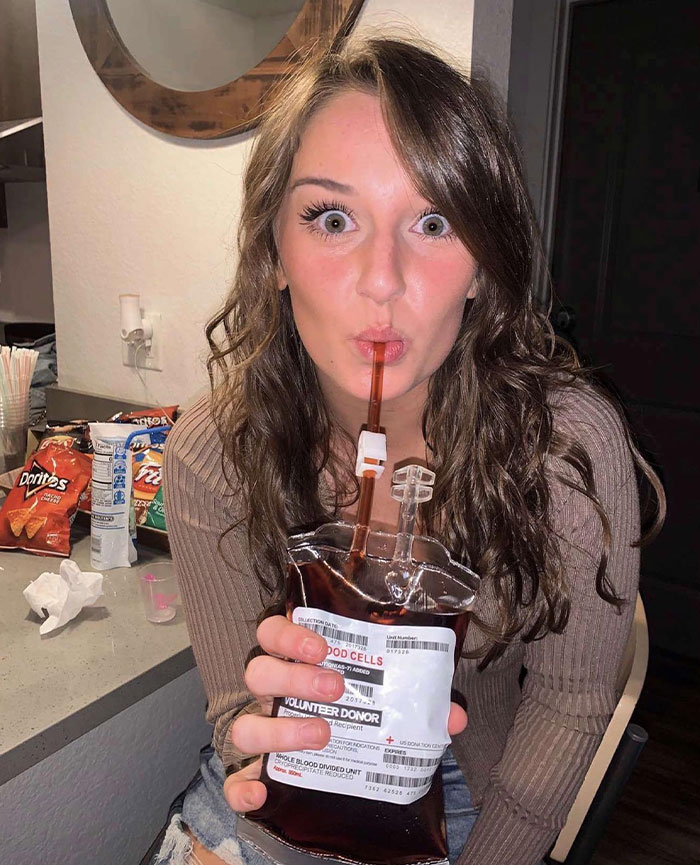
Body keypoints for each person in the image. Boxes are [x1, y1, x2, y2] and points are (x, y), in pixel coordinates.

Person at [155, 36, 664, 865]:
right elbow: (238, 717)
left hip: (470, 786)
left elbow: (570, 700)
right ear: (274, 252)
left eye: (432, 221)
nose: (381, 279)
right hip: (294, 768)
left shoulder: (563, 448)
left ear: (482, 268)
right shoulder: (212, 454)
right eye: (332, 217)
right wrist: (287, 809)